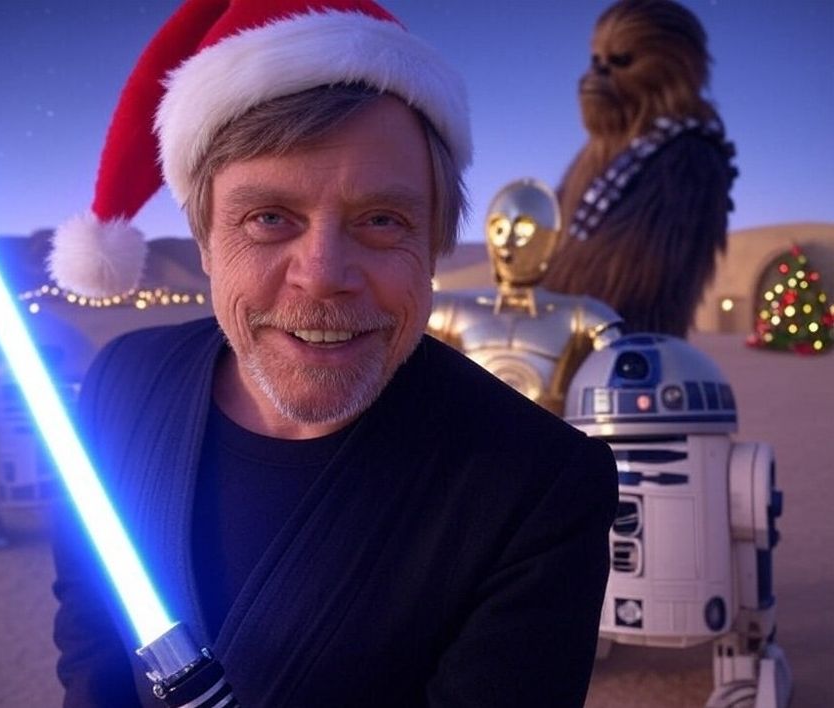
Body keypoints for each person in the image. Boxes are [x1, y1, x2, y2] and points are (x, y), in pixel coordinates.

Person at [48, 1, 618, 706]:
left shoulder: (537, 484)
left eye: (382, 220)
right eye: (268, 218)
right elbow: (91, 632)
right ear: (203, 241)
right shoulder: (121, 385)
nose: (322, 273)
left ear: (435, 244)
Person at [540, 0, 738, 337]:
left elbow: (630, 283)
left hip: (620, 346)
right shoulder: (601, 153)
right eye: (596, 60)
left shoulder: (686, 157)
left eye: (621, 61)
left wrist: (549, 307)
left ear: (676, 70)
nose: (597, 74)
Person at [428, 178, 621, 416]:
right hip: (464, 437)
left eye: (523, 230)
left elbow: (620, 369)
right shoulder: (448, 308)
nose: (507, 243)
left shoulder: (586, 315)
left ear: (548, 237)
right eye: (499, 229)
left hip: (550, 441)